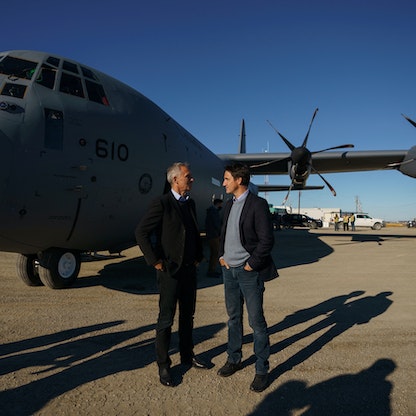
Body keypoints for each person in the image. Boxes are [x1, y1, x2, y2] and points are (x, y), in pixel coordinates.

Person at [135, 162, 208, 387]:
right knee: (166, 320)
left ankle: (187, 355)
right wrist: (155, 261)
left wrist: (198, 256)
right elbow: (141, 232)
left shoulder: (191, 204)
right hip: (170, 273)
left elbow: (193, 233)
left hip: (189, 271)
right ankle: (164, 365)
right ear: (175, 180)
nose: (192, 179)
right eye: (188, 176)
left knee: (188, 317)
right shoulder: (162, 203)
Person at [217, 163, 278, 393]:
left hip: (247, 272)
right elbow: (223, 232)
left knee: (256, 322)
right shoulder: (228, 204)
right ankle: (234, 358)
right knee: (233, 317)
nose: (223, 183)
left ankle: (262, 369)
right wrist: (221, 256)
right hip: (228, 270)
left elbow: (266, 240)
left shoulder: (257, 204)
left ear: (239, 180)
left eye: (226, 179)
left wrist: (251, 264)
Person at [205, 198, 223, 277]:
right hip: (214, 235)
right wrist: (220, 233)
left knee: (213, 253)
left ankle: (211, 269)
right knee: (215, 253)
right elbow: (217, 224)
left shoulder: (210, 211)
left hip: (210, 235)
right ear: (218, 203)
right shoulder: (214, 212)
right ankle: (212, 270)